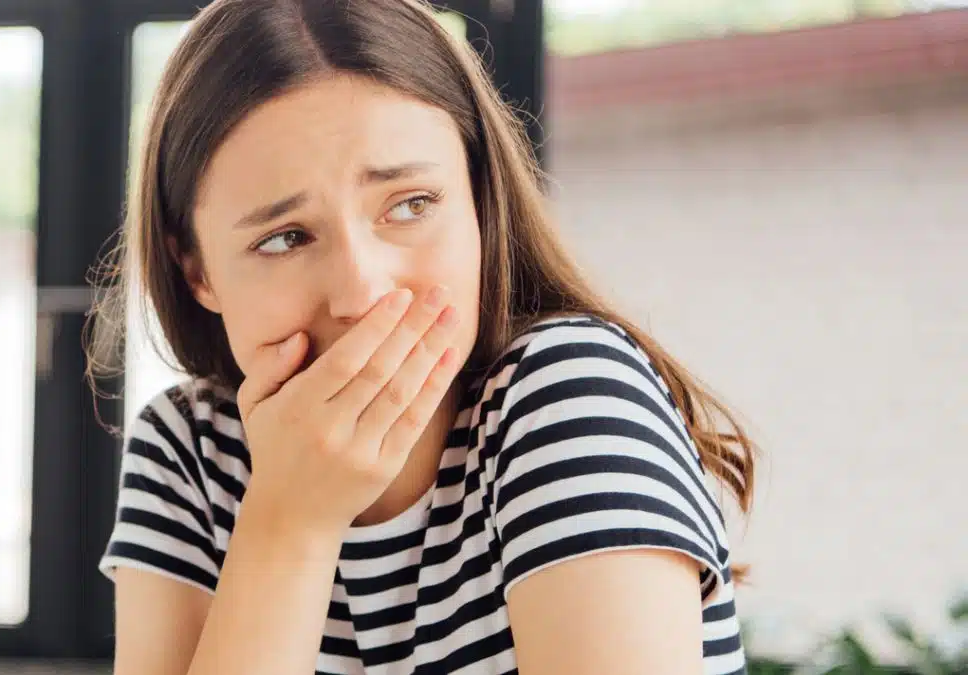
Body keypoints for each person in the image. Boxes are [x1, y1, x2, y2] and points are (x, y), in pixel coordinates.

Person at [90, 0, 757, 673]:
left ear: (479, 202)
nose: (363, 294)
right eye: (285, 238)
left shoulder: (569, 394)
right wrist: (289, 521)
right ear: (198, 271)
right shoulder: (189, 448)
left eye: (410, 205)